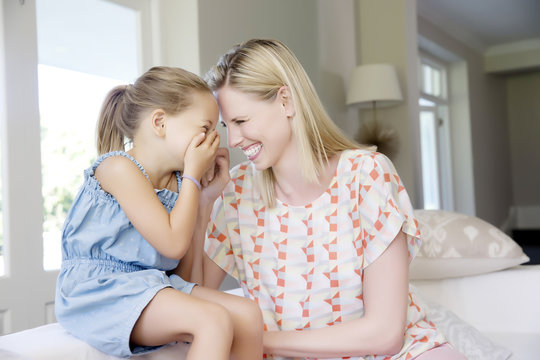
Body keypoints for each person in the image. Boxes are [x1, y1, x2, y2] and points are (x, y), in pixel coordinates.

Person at [189, 39, 467, 360]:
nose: (234, 140)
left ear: (286, 101)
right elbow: (194, 300)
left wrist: (258, 341)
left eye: (241, 121)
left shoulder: (366, 174)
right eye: (227, 126)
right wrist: (203, 202)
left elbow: (385, 335)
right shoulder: (236, 191)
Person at [55, 66, 263, 359]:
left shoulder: (180, 186)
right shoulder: (118, 168)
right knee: (212, 320)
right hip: (98, 289)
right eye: (205, 129)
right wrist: (192, 175)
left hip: (152, 284)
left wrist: (205, 201)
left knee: (247, 313)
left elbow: (190, 281)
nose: (214, 141)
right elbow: (172, 244)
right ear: (160, 123)